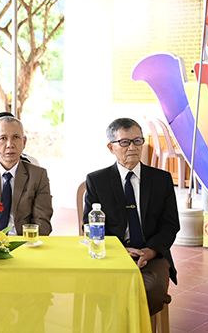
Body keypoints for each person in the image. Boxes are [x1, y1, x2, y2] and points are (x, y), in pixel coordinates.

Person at [83, 117, 180, 316]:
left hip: (152, 253)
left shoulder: (161, 180)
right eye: (125, 142)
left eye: (137, 141)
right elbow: (89, 224)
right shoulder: (97, 180)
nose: (133, 147)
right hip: (112, 252)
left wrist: (151, 251)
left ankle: (131, 325)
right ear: (111, 147)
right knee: (108, 291)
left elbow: (170, 224)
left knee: (151, 291)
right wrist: (119, 250)